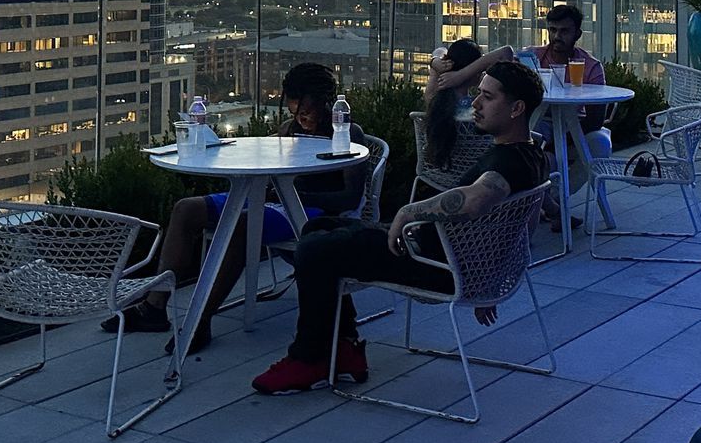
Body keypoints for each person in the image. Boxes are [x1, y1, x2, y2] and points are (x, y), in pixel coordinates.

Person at [250, 59, 549, 395]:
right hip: (442, 255)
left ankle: (307, 360)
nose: (476, 104)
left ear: (516, 109)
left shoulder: (509, 162)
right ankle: (345, 348)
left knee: (316, 249)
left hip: (431, 263)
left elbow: (475, 199)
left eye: (488, 98)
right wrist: (491, 272)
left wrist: (408, 212)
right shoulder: (533, 155)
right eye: (478, 94)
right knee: (318, 226)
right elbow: (523, 224)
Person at [105, 62, 366, 353]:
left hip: (313, 212)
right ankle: (155, 307)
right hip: (272, 201)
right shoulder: (287, 130)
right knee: (185, 210)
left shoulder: (348, 132)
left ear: (324, 102)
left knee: (243, 226)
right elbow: (271, 164)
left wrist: (297, 194)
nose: (301, 119)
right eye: (294, 112)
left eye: (305, 112)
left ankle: (201, 319)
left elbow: (350, 199)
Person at [428, 2, 610, 211]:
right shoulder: (530, 58)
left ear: (577, 33)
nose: (557, 36)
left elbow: (596, 120)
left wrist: (436, 64)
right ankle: (545, 200)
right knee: (534, 147)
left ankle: (553, 196)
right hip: (534, 122)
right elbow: (504, 57)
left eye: (564, 31)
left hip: (572, 126)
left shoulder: (437, 102)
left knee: (598, 143)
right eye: (553, 30)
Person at [420, 38, 485, 175]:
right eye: (479, 66)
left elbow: (438, 51)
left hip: (439, 174)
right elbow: (505, 53)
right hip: (476, 175)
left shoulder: (434, 99)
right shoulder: (479, 106)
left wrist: (435, 62)